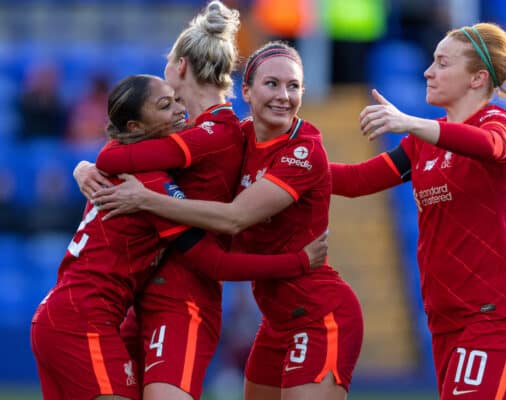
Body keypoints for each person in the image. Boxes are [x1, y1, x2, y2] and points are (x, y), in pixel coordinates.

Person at [91, 41, 364, 400]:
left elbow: (234, 219)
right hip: (275, 320)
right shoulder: (237, 138)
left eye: (294, 86)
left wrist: (146, 200)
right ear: (246, 92)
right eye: (272, 84)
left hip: (319, 313)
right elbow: (131, 148)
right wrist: (86, 169)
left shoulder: (303, 149)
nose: (284, 95)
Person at [32, 73, 326, 400]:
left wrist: (82, 166)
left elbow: (108, 157)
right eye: (164, 106)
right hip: (82, 321)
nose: (178, 109)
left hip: (62, 313)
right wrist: (297, 261)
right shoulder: (150, 184)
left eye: (175, 99)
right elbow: (214, 262)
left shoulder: (120, 162)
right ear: (135, 128)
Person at [329, 22, 506, 399]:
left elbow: (491, 146)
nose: (428, 71)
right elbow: (357, 181)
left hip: (495, 315)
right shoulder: (421, 143)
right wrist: (287, 168)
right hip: (445, 320)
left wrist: (410, 123)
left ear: (476, 79)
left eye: (442, 63)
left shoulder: (497, 122)